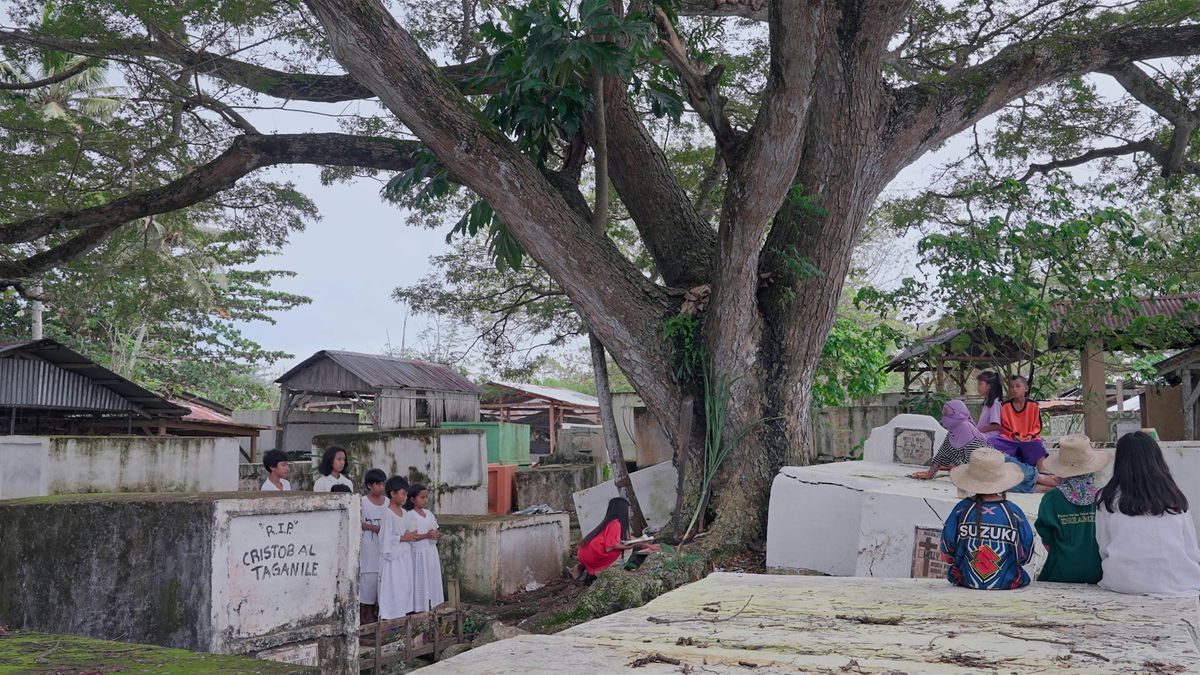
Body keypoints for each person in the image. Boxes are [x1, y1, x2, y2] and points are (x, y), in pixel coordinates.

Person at [1096, 432, 1200, 597]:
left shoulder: (1106, 498)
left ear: (1120, 461)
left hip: (1122, 582)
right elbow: (1192, 550)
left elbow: (1103, 547)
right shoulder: (1174, 497)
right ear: (1156, 459)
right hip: (1178, 582)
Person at [939, 447, 1035, 590]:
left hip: (965, 581)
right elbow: (1025, 557)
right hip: (1009, 583)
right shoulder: (1014, 513)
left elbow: (947, 554)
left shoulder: (961, 509)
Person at [911, 400, 1040, 493]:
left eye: (947, 413)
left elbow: (976, 455)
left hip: (998, 463)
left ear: (957, 413)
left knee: (1032, 476)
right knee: (1023, 486)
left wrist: (958, 471)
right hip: (985, 472)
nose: (944, 416)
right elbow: (943, 453)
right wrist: (930, 473)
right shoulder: (954, 431)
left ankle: (1058, 483)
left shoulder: (965, 427)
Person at [1034, 434, 1110, 584]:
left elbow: (1047, 542)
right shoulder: (1103, 497)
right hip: (1100, 573)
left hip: (1060, 572)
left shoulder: (1051, 499)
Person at [568, 497, 660, 582]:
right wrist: (629, 546)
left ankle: (580, 569)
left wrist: (649, 545)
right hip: (593, 556)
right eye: (628, 509)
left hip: (583, 554)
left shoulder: (608, 522)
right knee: (628, 549)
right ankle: (606, 573)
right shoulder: (616, 524)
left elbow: (630, 538)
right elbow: (610, 546)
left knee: (627, 546)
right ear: (622, 510)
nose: (629, 512)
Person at [378, 476, 416, 619]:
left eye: (406, 494)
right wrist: (401, 538)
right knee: (392, 588)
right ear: (393, 494)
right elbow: (384, 539)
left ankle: (402, 616)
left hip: (405, 556)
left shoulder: (405, 513)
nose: (405, 497)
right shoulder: (387, 514)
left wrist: (409, 535)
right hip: (393, 559)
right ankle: (390, 617)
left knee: (404, 587)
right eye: (403, 493)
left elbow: (406, 533)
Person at [405, 484, 445, 611]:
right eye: (422, 497)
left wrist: (435, 535)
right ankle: (418, 607)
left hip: (430, 551)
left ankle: (433, 604)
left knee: (432, 577)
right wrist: (427, 535)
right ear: (412, 499)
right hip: (417, 553)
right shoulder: (409, 515)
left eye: (426, 497)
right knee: (419, 580)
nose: (425, 500)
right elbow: (411, 537)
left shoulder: (428, 513)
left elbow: (435, 529)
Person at [359, 468, 389, 624]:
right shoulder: (362, 501)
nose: (381, 487)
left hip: (384, 547)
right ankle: (367, 613)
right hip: (369, 546)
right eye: (378, 484)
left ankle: (381, 612)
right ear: (370, 485)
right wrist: (375, 528)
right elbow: (357, 522)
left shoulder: (388, 503)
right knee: (369, 578)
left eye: (383, 484)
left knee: (383, 577)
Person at [975, 371, 1004, 443]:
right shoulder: (987, 402)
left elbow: (995, 425)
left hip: (990, 440)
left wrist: (977, 431)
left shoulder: (995, 403)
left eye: (980, 384)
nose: (978, 387)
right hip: (985, 437)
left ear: (989, 386)